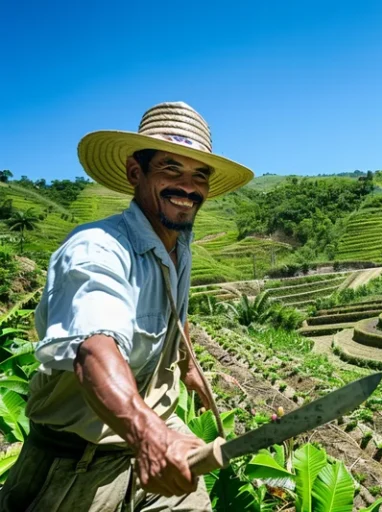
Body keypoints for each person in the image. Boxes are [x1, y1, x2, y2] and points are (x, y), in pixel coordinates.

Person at [0, 102, 253, 511]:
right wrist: (149, 435)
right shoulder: (97, 250)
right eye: (171, 169)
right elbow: (93, 350)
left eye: (199, 175)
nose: (187, 187)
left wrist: (187, 367)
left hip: (154, 441)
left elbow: (174, 310)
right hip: (77, 468)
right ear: (136, 172)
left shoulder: (179, 244)